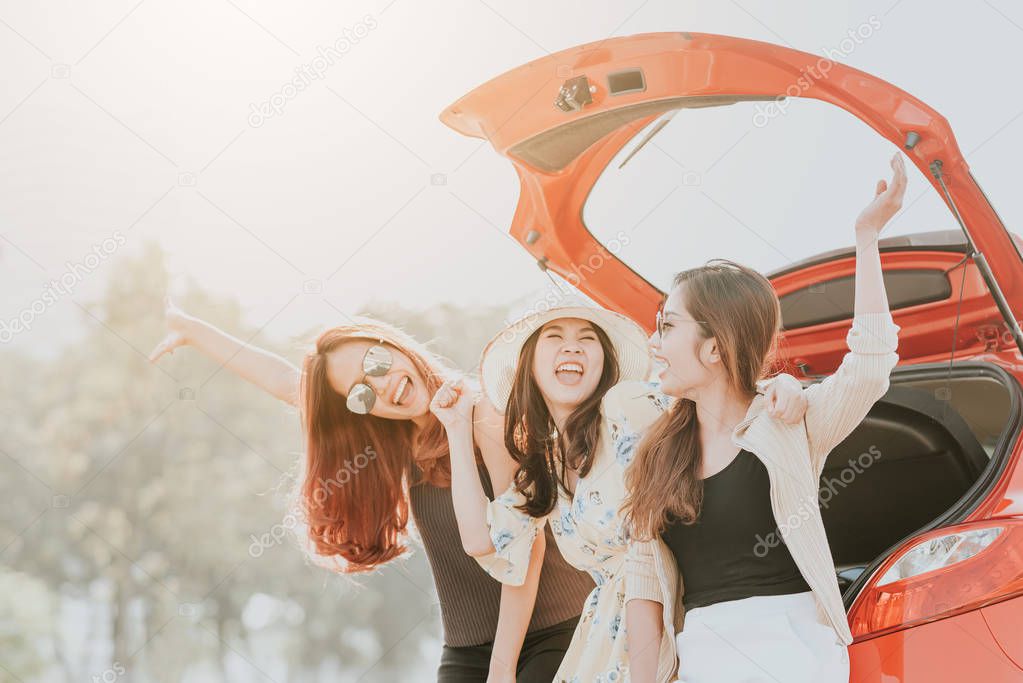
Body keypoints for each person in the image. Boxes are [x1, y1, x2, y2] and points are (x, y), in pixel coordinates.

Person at [149, 308, 595, 682]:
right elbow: (287, 384)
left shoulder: (483, 416)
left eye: (376, 364)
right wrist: (190, 329)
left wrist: (502, 669)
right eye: (361, 393)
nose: (380, 385)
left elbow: (527, 548)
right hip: (467, 649)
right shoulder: (399, 444)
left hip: (554, 628)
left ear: (394, 345)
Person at [623, 153, 907, 683]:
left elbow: (870, 367)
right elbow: (644, 587)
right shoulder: (656, 451)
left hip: (796, 651)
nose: (654, 343)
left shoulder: (788, 421)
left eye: (667, 326)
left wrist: (866, 238)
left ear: (714, 347)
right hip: (703, 656)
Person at [430, 301, 809, 682]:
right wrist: (456, 429)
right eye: (555, 337)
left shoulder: (625, 407)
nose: (572, 347)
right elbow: (481, 540)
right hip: (606, 638)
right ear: (530, 364)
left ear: (604, 362)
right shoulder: (546, 467)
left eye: (587, 339)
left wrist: (779, 386)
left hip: (671, 612)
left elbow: (714, 406)